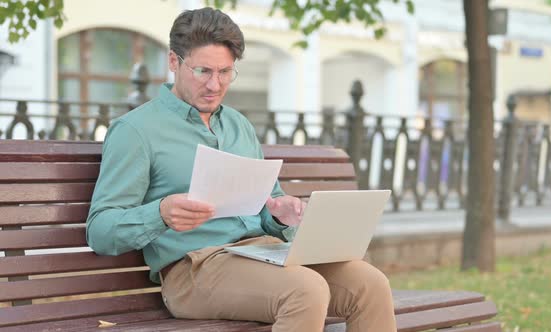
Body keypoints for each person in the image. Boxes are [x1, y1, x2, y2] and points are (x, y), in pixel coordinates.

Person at [86, 7, 396, 332]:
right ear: (174, 62)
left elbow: (266, 202)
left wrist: (279, 214)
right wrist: (160, 213)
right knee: (305, 289)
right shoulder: (136, 131)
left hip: (263, 254)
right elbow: (101, 231)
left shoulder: (238, 125)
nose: (215, 85)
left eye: (225, 72)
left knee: (370, 283)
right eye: (203, 71)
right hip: (194, 269)